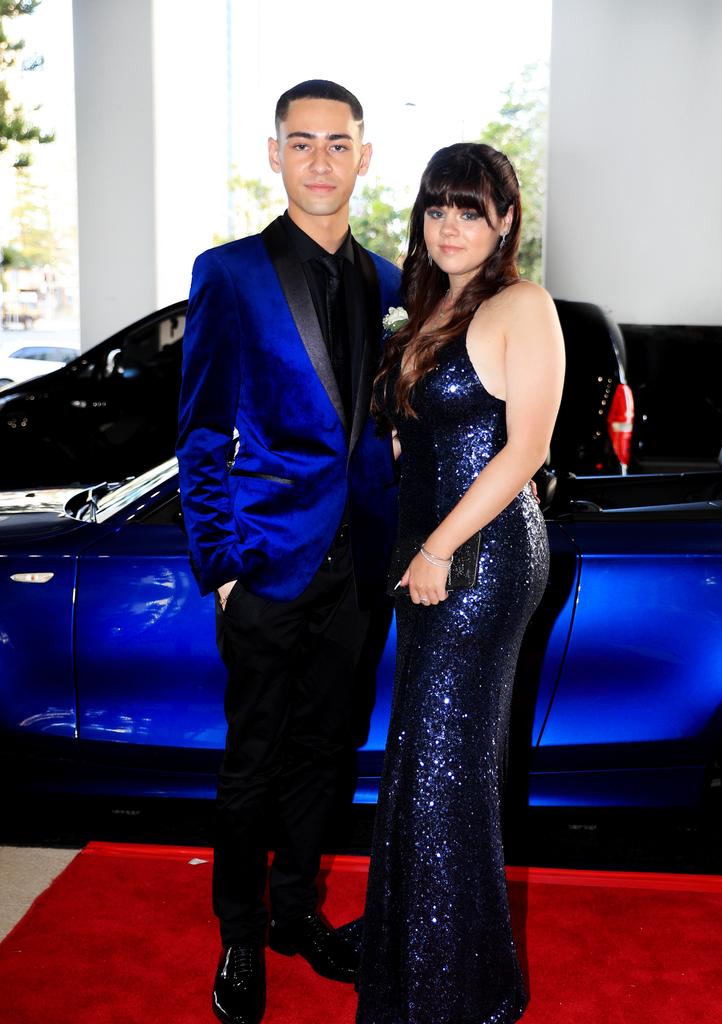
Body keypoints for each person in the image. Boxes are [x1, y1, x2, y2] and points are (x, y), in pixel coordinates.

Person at [176, 80, 401, 1024]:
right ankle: (238, 934)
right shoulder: (228, 273)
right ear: (275, 155)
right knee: (252, 761)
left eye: (336, 144)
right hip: (266, 564)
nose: (319, 160)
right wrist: (223, 567)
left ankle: (296, 910)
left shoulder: (390, 282)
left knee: (327, 751)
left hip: (361, 572)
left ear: (362, 155)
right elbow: (198, 434)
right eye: (300, 143)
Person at [350, 142, 565, 1023]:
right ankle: (426, 970)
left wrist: (437, 550)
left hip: (480, 562)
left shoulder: (524, 304)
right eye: (437, 208)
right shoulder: (432, 308)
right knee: (424, 761)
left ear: (506, 220)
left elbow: (527, 449)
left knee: (444, 769)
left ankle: (450, 994)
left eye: (469, 209)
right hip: (431, 558)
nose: (450, 226)